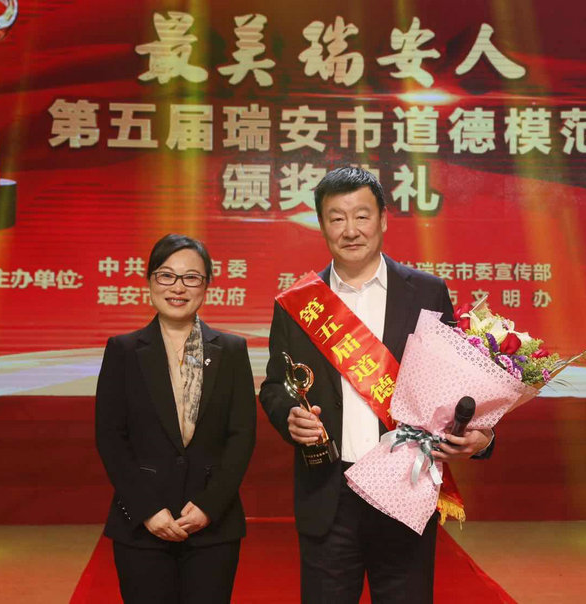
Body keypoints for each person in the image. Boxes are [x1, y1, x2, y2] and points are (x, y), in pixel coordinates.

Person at [259, 167, 494, 604]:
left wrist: (482, 435)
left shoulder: (426, 292)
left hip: (405, 489)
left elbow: (460, 384)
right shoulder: (297, 303)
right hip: (328, 493)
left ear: (383, 219)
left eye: (362, 216)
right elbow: (275, 386)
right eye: (336, 218)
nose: (350, 230)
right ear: (321, 224)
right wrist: (287, 415)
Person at [96, 234, 256, 604]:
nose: (178, 288)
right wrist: (147, 510)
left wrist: (209, 506)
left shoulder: (232, 350)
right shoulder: (123, 351)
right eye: (166, 276)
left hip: (212, 526)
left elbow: (242, 435)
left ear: (207, 285)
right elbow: (111, 437)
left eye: (191, 278)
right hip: (142, 524)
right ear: (150, 281)